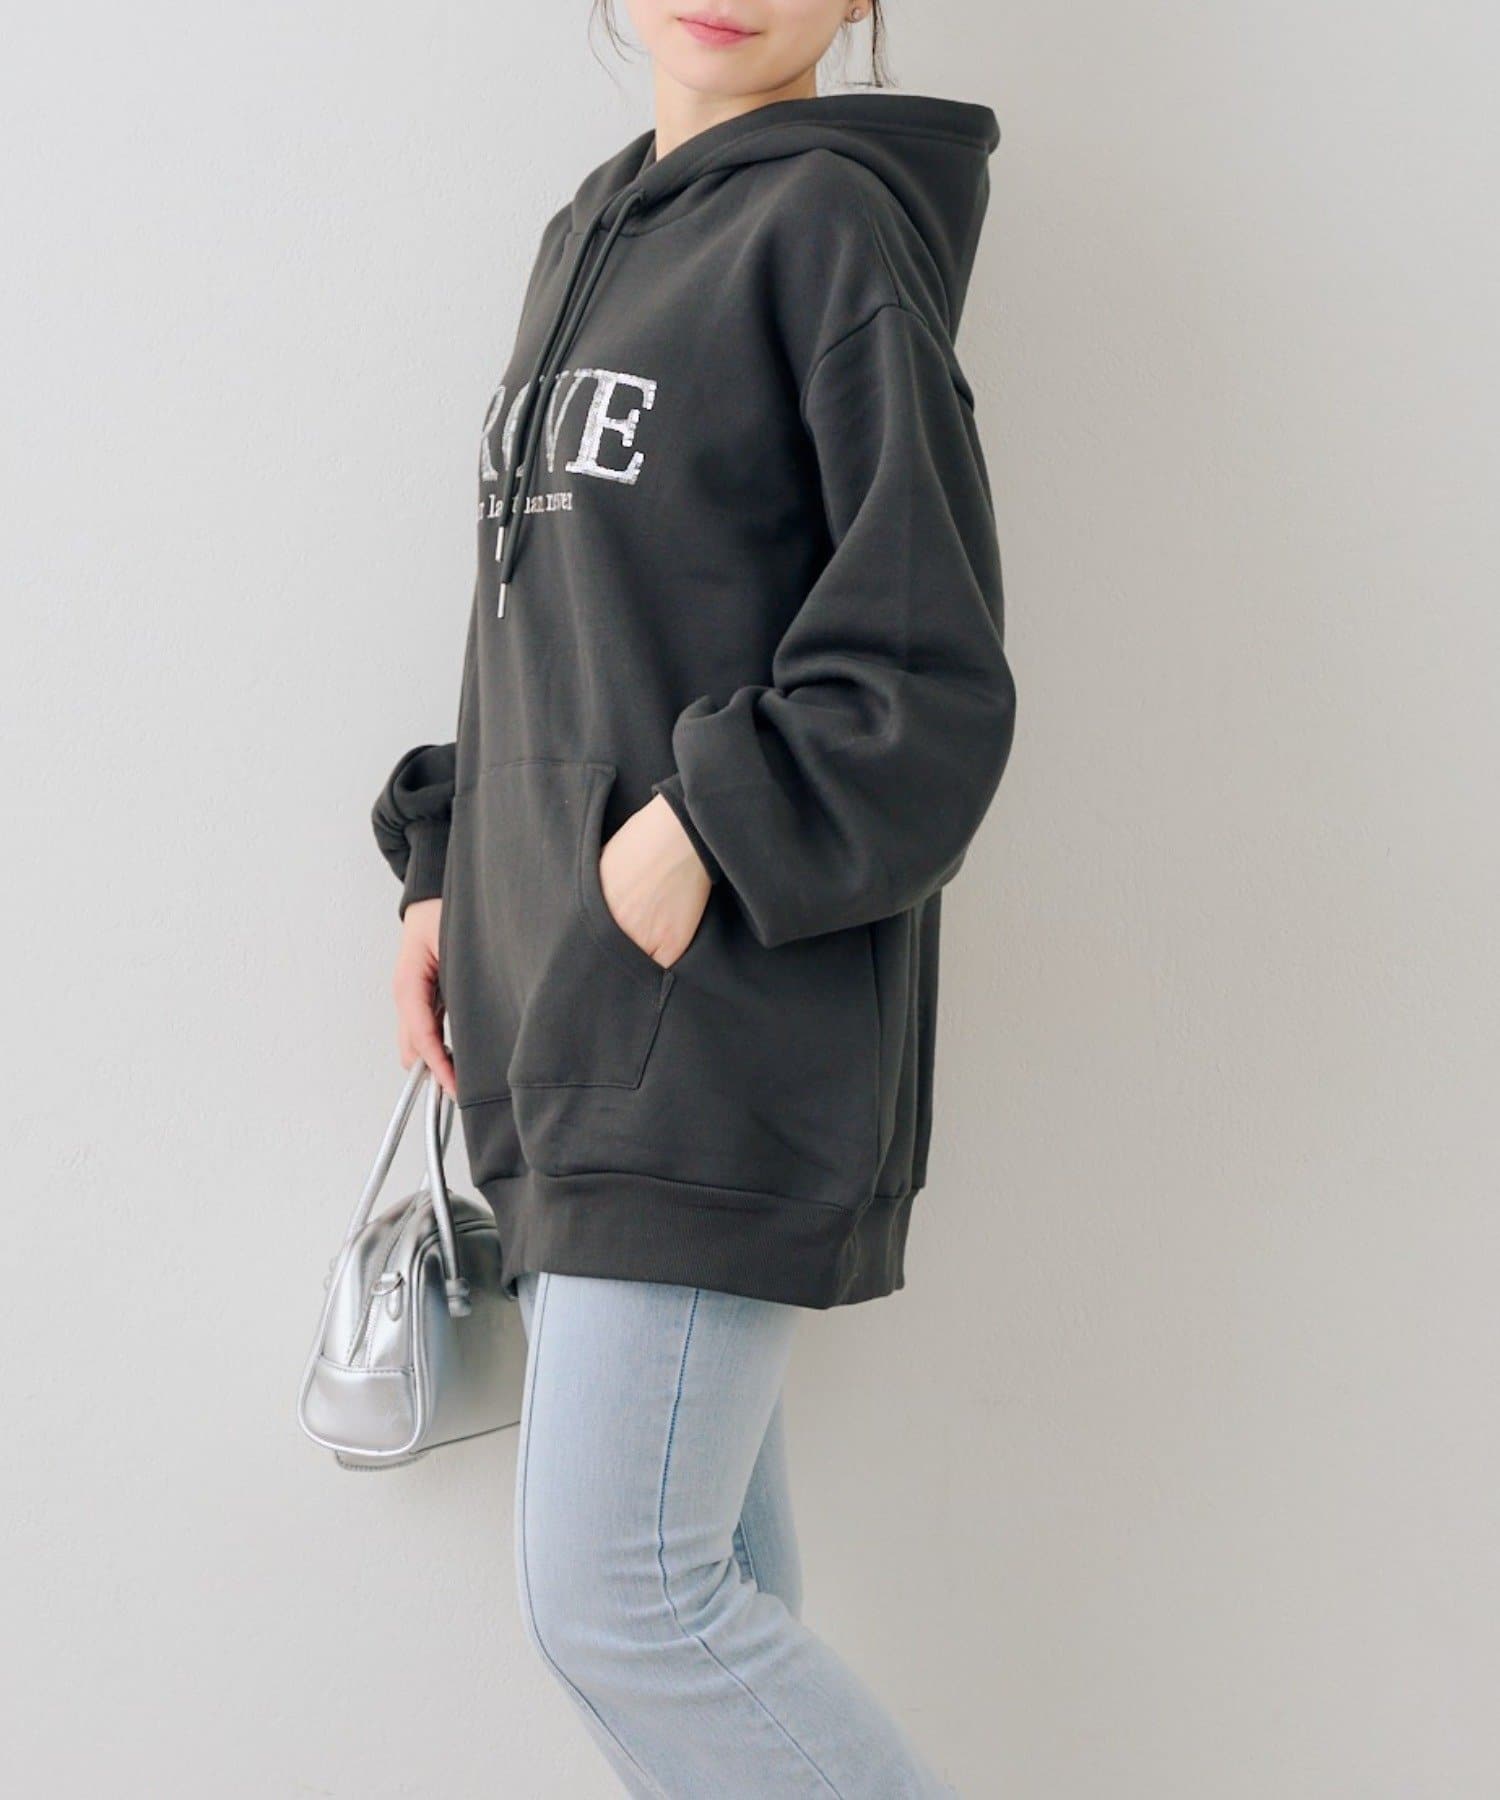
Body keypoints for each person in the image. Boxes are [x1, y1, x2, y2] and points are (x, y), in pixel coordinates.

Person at [371, 3, 1016, 1791]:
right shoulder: (588, 234)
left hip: (719, 1029)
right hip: (567, 1026)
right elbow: (560, 632)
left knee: (623, 1603)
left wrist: (699, 831)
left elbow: (926, 671)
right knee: (704, 1602)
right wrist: (448, 871)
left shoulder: (833, 225)